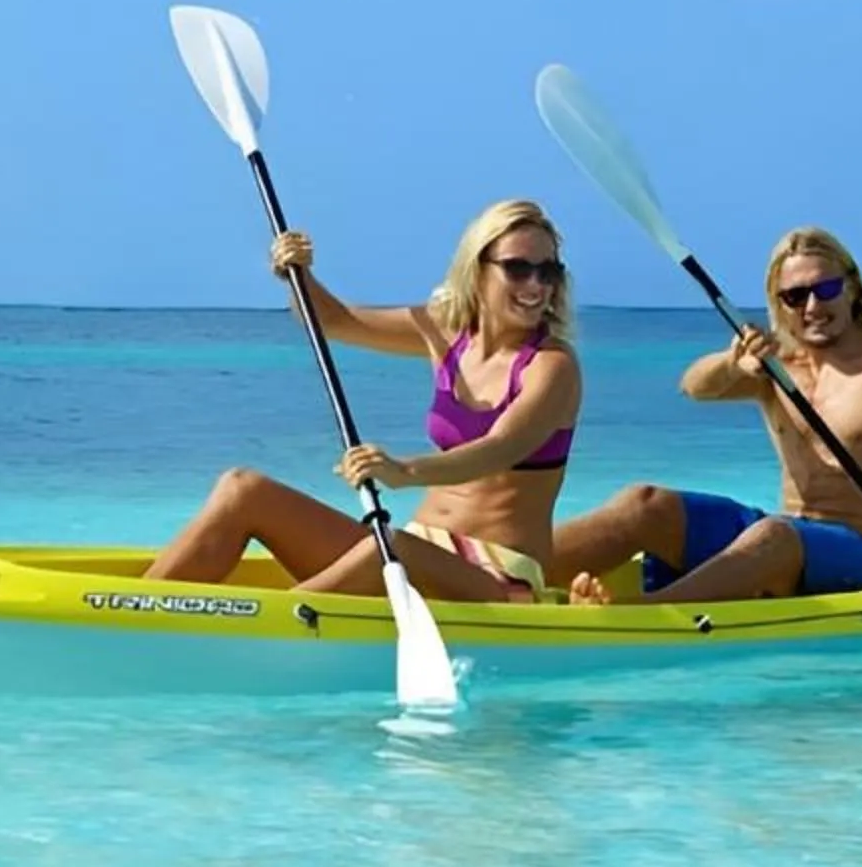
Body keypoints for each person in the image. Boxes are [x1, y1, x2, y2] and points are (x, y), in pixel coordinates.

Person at [547, 225, 862, 640]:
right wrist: (733, 364)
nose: (813, 307)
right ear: (778, 302)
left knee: (774, 536)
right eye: (795, 296)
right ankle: (519, 575)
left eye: (826, 289)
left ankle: (634, 617)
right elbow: (693, 386)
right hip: (781, 538)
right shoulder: (776, 363)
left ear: (852, 287)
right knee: (644, 503)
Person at [140, 199, 585, 604]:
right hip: (417, 547)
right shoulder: (446, 333)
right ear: (477, 268)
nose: (536, 285)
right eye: (518, 268)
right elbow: (333, 320)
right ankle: (137, 610)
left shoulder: (552, 366)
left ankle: (267, 627)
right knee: (243, 489)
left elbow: (500, 449)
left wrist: (402, 471)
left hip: (497, 577)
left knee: (388, 546)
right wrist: (298, 274)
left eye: (548, 272)